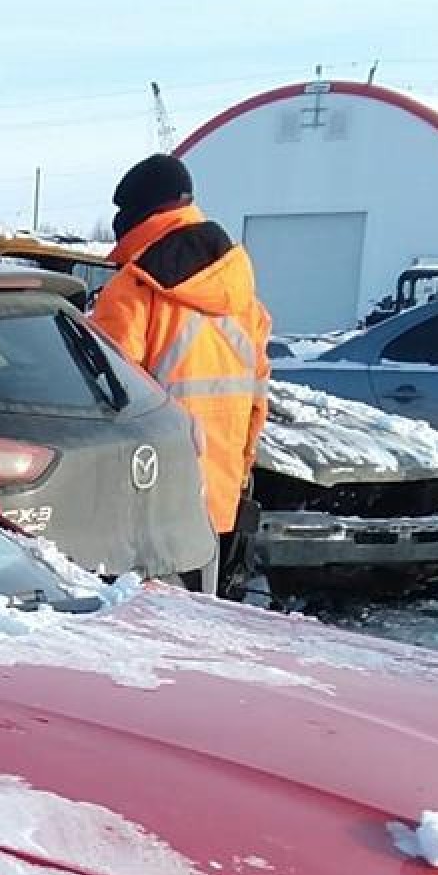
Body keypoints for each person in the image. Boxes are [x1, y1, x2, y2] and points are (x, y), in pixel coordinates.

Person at [86, 153, 272, 591]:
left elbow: (100, 395)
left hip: (147, 498)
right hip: (217, 498)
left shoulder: (133, 291)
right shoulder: (242, 293)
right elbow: (257, 399)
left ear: (135, 215)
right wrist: (239, 478)